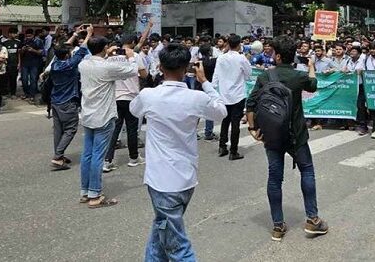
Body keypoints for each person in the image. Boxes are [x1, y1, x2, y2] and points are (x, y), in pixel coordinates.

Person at [130, 43, 227, 260]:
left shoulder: (149, 96)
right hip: (185, 178)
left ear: (160, 66)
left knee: (177, 246)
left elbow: (133, 109)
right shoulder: (196, 98)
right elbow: (221, 111)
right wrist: (205, 83)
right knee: (162, 229)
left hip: (161, 181)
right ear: (187, 68)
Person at [246, 36, 329, 242]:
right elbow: (314, 84)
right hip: (296, 134)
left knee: (275, 178)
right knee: (307, 171)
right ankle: (313, 220)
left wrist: (253, 128)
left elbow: (251, 103)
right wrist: (310, 66)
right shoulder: (299, 76)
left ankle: (278, 226)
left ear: (278, 55)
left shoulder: (266, 76)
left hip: (272, 135)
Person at [77, 34, 139, 208]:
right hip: (103, 116)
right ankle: (95, 194)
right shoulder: (107, 67)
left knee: (87, 154)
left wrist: (106, 53)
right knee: (98, 155)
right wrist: (131, 56)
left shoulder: (84, 64)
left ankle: (85, 191)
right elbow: (133, 70)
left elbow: (89, 54)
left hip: (88, 114)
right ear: (105, 48)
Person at [48, 27, 91, 170]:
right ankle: (58, 156)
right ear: (67, 55)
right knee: (71, 129)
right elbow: (83, 50)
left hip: (55, 100)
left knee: (58, 130)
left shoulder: (55, 63)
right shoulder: (69, 65)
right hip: (68, 101)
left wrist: (75, 34)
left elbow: (63, 48)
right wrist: (89, 34)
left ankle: (59, 154)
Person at [104, 34, 148, 173]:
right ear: (132, 42)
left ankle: (107, 160)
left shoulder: (110, 57)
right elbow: (144, 74)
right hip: (131, 97)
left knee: (114, 129)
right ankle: (133, 158)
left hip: (115, 96)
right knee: (132, 128)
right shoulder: (134, 56)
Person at [212, 34, 251, 161]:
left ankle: (222, 146)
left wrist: (213, 90)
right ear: (239, 44)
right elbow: (248, 74)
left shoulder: (221, 58)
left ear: (227, 43)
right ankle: (233, 151)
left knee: (225, 120)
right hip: (238, 94)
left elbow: (216, 76)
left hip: (224, 94)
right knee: (235, 123)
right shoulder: (241, 58)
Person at [20, 29, 43, 102]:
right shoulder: (23, 41)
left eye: (29, 36)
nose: (28, 37)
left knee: (33, 80)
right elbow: (19, 53)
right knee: (24, 79)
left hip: (34, 63)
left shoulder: (38, 41)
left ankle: (32, 95)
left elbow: (41, 52)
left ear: (33, 35)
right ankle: (26, 93)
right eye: (27, 36)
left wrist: (33, 50)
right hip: (25, 63)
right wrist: (23, 50)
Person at [1, 28, 21, 98]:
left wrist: (19, 63)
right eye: (14, 33)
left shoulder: (18, 42)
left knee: (13, 79)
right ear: (9, 33)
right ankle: (5, 93)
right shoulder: (4, 43)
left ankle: (13, 93)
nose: (15, 35)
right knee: (5, 79)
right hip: (6, 64)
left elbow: (19, 54)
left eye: (16, 33)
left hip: (14, 64)